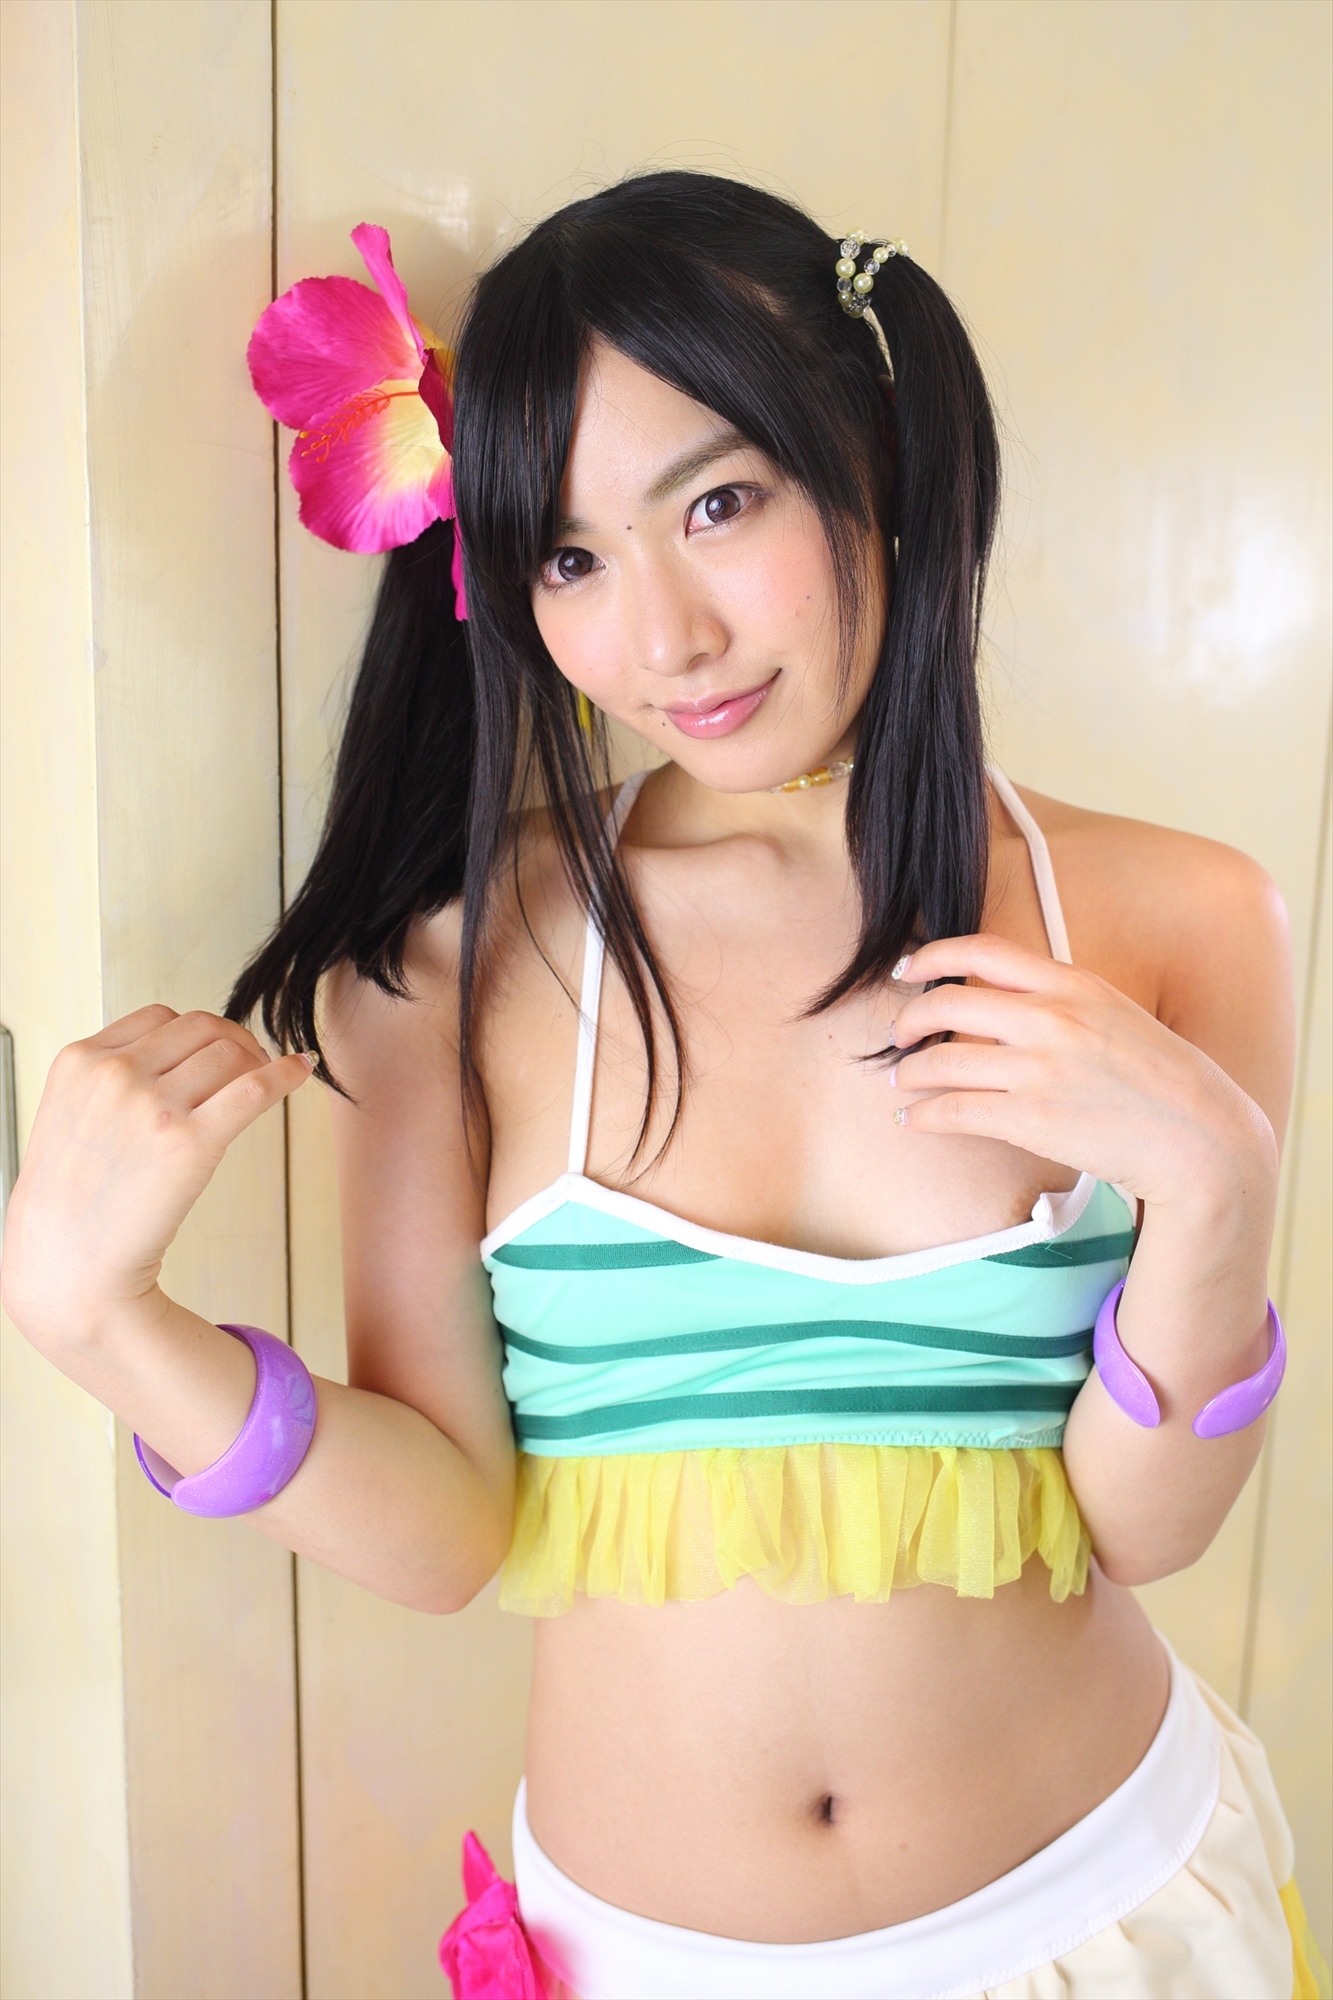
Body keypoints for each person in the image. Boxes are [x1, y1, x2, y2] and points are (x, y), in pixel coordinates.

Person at [3, 173, 1323, 2000]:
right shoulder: (459, 960)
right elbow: (448, 1529)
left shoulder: (1183, 915)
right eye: (570, 557)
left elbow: (1141, 1527)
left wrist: (1218, 1188)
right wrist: (97, 1323)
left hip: (1100, 1915)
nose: (666, 639)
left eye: (718, 504)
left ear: (879, 453)